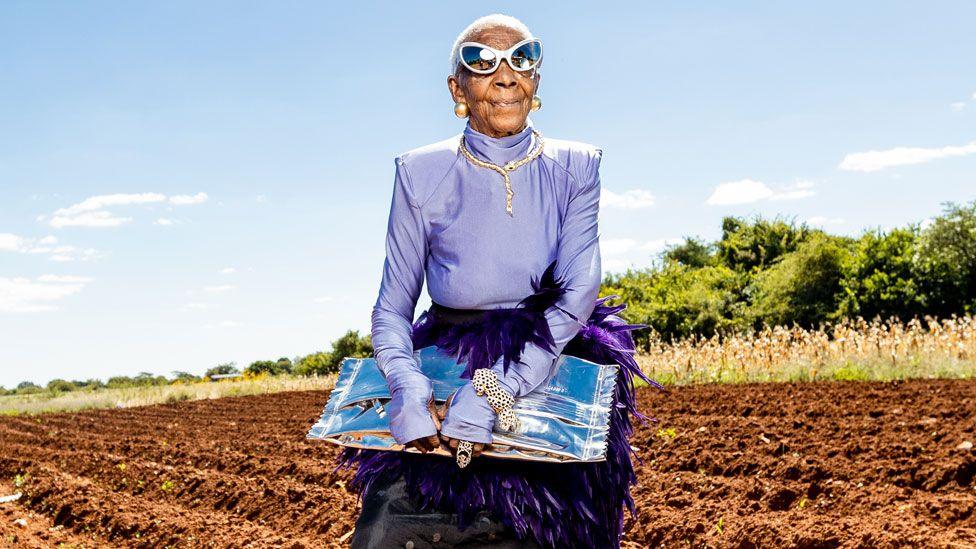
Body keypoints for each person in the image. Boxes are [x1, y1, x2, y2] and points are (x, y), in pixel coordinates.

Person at [338, 13, 661, 549]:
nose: (506, 74)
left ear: (536, 82)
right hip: (446, 355)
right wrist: (408, 385)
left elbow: (577, 292)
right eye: (481, 61)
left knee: (551, 525)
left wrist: (496, 389)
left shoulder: (578, 166)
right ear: (457, 88)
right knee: (392, 524)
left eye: (523, 57)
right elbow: (392, 307)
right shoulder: (418, 171)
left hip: (550, 349)